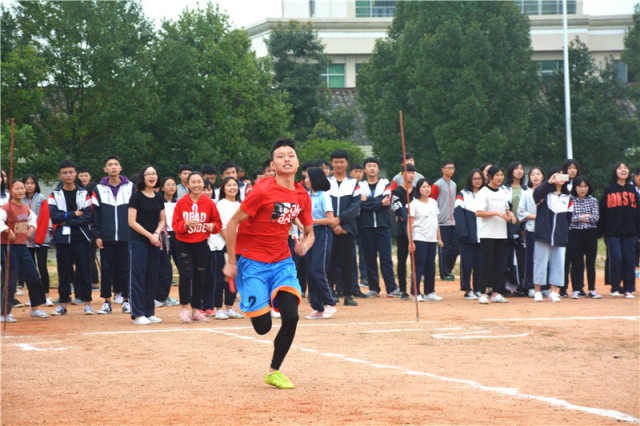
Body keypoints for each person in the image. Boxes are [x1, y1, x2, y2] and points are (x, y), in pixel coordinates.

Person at [223, 138, 314, 389]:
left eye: (291, 155)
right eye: (280, 156)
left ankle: (274, 371)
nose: (286, 159)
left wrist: (304, 246)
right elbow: (232, 224)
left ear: (297, 162)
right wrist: (232, 262)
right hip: (252, 264)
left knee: (292, 317)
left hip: (283, 262)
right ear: (273, 163)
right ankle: (254, 299)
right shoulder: (262, 190)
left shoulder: (302, 195)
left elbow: (310, 232)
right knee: (263, 328)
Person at [173, 172, 222, 323]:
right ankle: (184, 309)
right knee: (186, 276)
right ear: (187, 185)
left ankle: (196, 310)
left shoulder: (209, 203)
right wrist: (185, 224)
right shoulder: (182, 202)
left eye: (199, 182)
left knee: (200, 277)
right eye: (192, 182)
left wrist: (212, 226)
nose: (196, 185)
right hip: (184, 244)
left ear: (203, 184)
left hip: (201, 243)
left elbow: (218, 224)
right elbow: (175, 225)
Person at [48, 160, 94, 315]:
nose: (68, 175)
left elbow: (88, 216)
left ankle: (87, 303)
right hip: (62, 239)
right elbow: (54, 217)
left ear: (75, 174)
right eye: (65, 173)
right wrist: (74, 214)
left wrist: (66, 219)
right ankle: (63, 304)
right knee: (64, 272)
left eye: (71, 172)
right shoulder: (54, 194)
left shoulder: (84, 193)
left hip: (81, 237)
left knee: (84, 271)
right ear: (60, 175)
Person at [1, 179, 50, 322]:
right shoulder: (6, 208)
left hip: (23, 247)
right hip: (9, 248)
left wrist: (31, 229)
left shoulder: (25, 208)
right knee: (9, 280)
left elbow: (33, 219)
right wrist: (6, 230)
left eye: (22, 188)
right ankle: (4, 312)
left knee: (34, 276)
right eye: (17, 188)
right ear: (11, 191)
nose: (21, 191)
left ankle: (35, 308)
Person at [92, 155, 134, 315]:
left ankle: (126, 301)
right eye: (110, 165)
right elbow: (95, 215)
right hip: (107, 237)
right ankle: (106, 301)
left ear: (120, 168)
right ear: (105, 169)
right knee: (106, 270)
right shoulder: (98, 189)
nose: (113, 167)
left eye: (116, 164)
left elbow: (135, 212)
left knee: (126, 269)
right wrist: (97, 235)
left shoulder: (131, 187)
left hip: (126, 236)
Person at [128, 165, 165, 324]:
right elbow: (131, 222)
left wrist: (156, 233)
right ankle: (138, 314)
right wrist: (150, 235)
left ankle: (149, 312)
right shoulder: (136, 197)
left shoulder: (158, 197)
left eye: (154, 174)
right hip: (138, 241)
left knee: (152, 276)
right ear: (142, 178)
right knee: (138, 276)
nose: (152, 176)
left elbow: (162, 220)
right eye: (148, 174)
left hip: (154, 241)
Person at [358, 157, 400, 298]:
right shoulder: (359, 185)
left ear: (378, 169)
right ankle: (374, 288)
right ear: (365, 169)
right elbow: (360, 204)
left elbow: (386, 202)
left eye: (374, 166)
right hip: (366, 226)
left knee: (386, 258)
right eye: (369, 166)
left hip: (383, 225)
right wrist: (377, 202)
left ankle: (392, 288)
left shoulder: (385, 183)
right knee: (369, 258)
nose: (371, 168)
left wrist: (368, 202)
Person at [531, 167, 574, 303]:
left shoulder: (568, 197)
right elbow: (536, 195)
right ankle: (537, 290)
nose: (560, 177)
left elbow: (569, 217)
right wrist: (548, 183)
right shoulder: (544, 194)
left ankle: (554, 291)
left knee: (558, 263)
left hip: (560, 236)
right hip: (543, 234)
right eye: (557, 175)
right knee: (540, 262)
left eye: (563, 175)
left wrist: (564, 232)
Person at [597, 162, 639, 299]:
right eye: (620, 168)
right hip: (613, 232)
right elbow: (603, 211)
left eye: (626, 168)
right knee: (616, 259)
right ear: (615, 172)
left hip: (630, 232)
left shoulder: (632, 190)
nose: (623, 170)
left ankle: (628, 289)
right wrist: (600, 231)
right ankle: (615, 287)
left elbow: (638, 212)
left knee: (629, 260)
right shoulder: (609, 189)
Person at [475, 165, 515, 304]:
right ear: (490, 177)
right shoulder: (483, 192)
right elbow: (478, 212)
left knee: (500, 265)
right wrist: (497, 213)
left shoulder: (502, 192)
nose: (499, 178)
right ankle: (482, 293)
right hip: (488, 234)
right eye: (497, 175)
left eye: (501, 175)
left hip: (501, 234)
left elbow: (506, 209)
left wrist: (510, 214)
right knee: (487, 264)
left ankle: (496, 293)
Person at [327, 149, 361, 306]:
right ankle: (330, 293)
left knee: (348, 263)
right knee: (330, 262)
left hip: (347, 229)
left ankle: (348, 295)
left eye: (341, 161)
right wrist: (332, 223)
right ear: (332, 164)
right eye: (336, 162)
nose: (339, 164)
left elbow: (355, 207)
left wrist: (340, 221)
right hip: (328, 229)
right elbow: (323, 204)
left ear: (346, 163)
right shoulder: (326, 182)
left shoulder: (354, 183)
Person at [205, 177, 243, 319]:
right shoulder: (220, 204)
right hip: (221, 246)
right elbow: (222, 227)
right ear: (223, 188)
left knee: (233, 277)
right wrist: (231, 244)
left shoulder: (240, 205)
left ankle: (229, 307)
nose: (232, 187)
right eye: (229, 185)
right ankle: (219, 308)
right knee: (220, 278)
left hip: (237, 247)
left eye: (234, 185)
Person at [303, 167, 337, 319]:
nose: (305, 180)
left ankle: (330, 303)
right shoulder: (306, 196)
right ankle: (317, 307)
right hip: (308, 233)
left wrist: (311, 221)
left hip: (322, 233)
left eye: (308, 177)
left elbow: (330, 220)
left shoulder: (324, 196)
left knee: (318, 269)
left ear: (315, 179)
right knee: (309, 271)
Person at [409, 178, 444, 301]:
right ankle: (415, 292)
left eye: (428, 186)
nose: (427, 189)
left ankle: (429, 291)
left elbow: (436, 222)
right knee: (419, 266)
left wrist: (439, 238)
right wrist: (411, 241)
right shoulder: (414, 204)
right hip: (419, 237)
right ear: (418, 189)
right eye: (423, 187)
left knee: (430, 266)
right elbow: (410, 223)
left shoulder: (433, 202)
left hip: (431, 238)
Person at [21, 174, 53, 306]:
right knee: (30, 270)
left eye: (32, 183)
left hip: (41, 238)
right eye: (27, 183)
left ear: (36, 185)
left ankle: (46, 295)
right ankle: (33, 297)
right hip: (25, 239)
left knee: (42, 267)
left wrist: (40, 234)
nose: (29, 185)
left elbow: (45, 217)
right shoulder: (19, 200)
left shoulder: (41, 198)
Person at [568, 176, 601, 299]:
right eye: (580, 186)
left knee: (591, 262)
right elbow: (569, 218)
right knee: (577, 262)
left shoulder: (593, 200)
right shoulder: (570, 200)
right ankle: (577, 289)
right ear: (575, 187)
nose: (582, 189)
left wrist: (580, 217)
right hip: (575, 233)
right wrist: (583, 217)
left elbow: (595, 218)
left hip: (590, 233)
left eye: (585, 186)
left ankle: (592, 289)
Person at [454, 169, 484, 300]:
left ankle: (478, 288)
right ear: (470, 180)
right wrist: (463, 233)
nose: (477, 181)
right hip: (468, 236)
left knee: (480, 264)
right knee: (467, 264)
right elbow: (458, 214)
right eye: (474, 178)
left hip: (483, 235)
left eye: (479, 178)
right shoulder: (463, 194)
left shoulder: (485, 193)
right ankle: (467, 289)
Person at [517, 167, 546, 297]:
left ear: (543, 177)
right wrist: (537, 217)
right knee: (531, 258)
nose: (535, 177)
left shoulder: (548, 194)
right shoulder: (526, 193)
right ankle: (530, 286)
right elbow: (521, 212)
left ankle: (544, 286)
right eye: (533, 174)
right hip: (531, 229)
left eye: (538, 174)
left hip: (546, 230)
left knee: (545, 258)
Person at [430, 161, 459, 281]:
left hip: (453, 221)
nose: (451, 170)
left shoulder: (454, 184)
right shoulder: (437, 185)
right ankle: (444, 273)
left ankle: (449, 269)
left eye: (452, 168)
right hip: (442, 221)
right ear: (442, 169)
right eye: (448, 168)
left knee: (456, 247)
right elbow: (432, 201)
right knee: (444, 248)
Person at [392, 163, 416, 299]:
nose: (411, 175)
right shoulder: (397, 192)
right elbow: (398, 210)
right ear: (402, 174)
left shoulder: (418, 191)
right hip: (402, 230)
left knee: (416, 261)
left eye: (413, 172)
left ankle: (415, 288)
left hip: (417, 230)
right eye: (408, 172)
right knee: (402, 260)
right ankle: (402, 289)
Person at [503, 161, 528, 295]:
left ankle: (521, 286)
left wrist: (522, 228)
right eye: (516, 169)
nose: (519, 171)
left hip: (523, 228)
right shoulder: (504, 189)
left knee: (521, 258)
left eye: (521, 169)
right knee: (507, 258)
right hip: (507, 228)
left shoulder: (526, 189)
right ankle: (507, 286)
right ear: (511, 171)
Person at [156, 177, 180, 307]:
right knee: (165, 268)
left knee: (183, 267)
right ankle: (161, 296)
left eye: (173, 184)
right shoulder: (159, 202)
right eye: (168, 185)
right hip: (164, 235)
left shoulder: (180, 202)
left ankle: (188, 297)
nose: (171, 187)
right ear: (163, 188)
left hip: (179, 235)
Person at [349, 163, 368, 290]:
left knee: (363, 252)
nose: (358, 174)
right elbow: (361, 199)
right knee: (350, 254)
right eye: (355, 172)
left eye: (360, 172)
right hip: (350, 221)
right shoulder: (349, 184)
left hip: (362, 221)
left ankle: (364, 277)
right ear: (350, 173)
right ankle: (351, 281)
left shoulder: (364, 185)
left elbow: (366, 199)